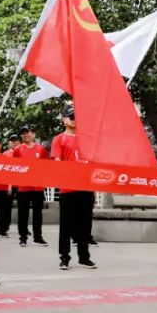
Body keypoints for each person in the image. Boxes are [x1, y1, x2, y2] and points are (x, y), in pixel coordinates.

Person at [51, 106, 96, 271]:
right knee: (66, 226)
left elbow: (93, 160)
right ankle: (64, 258)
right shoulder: (59, 139)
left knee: (85, 225)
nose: (74, 119)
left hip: (86, 187)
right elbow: (57, 161)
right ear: (64, 120)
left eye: (76, 116)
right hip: (68, 189)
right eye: (71, 116)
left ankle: (84, 257)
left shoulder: (87, 139)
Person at [11, 125, 48, 247]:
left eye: (27, 132)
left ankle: (38, 237)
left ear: (33, 134)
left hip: (38, 187)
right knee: (23, 214)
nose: (25, 135)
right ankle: (23, 237)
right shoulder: (18, 150)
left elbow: (46, 166)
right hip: (23, 188)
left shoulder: (41, 149)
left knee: (38, 213)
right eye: (23, 133)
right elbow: (14, 167)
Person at [0, 134, 18, 238]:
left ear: (1, 145)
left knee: (3, 211)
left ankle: (1, 230)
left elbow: (9, 173)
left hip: (3, 188)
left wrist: (9, 186)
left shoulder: (5, 157)